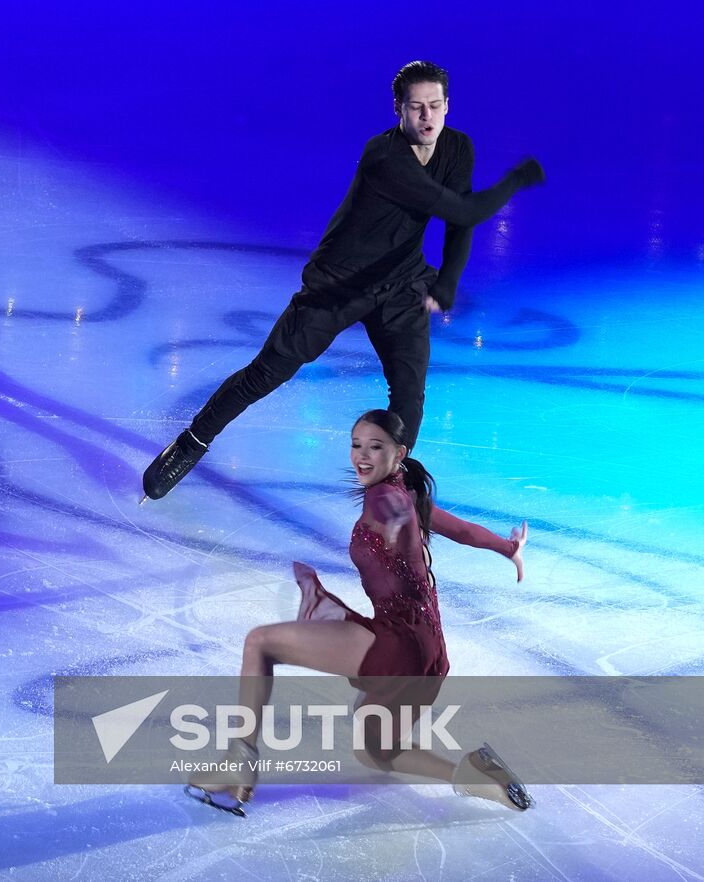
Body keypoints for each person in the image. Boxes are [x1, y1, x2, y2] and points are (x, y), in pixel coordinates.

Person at [143, 60, 545, 501]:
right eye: (416, 108)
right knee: (266, 373)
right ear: (398, 109)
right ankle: (191, 443)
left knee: (409, 395)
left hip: (401, 281)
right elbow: (464, 212)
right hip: (338, 283)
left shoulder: (457, 149)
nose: (427, 117)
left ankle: (389, 495)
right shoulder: (385, 157)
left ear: (448, 106)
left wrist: (446, 280)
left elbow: (459, 222)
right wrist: (516, 180)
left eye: (435, 106)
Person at [185, 409, 532, 815]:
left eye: (375, 447)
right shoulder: (405, 492)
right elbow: (456, 527)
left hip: (399, 642)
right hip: (428, 649)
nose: (362, 456)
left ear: (398, 453)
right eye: (356, 445)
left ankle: (239, 764)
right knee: (377, 753)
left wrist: (392, 521)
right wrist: (508, 548)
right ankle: (474, 774)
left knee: (260, 642)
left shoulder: (388, 498)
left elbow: (397, 515)